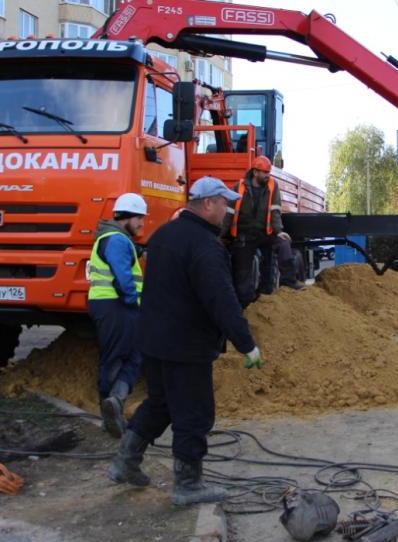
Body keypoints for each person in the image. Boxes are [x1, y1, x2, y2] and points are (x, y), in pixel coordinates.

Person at [108, 176, 263, 506]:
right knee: (194, 413)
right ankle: (188, 484)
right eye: (224, 204)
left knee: (161, 403)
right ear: (207, 204)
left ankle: (125, 461)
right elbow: (221, 300)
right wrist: (247, 343)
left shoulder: (164, 235)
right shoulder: (205, 246)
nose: (228, 211)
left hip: (153, 340)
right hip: (186, 345)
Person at [87, 193, 147, 438]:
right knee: (116, 358)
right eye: (140, 218)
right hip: (117, 306)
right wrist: (133, 301)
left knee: (132, 355)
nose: (142, 224)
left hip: (110, 305)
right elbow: (123, 277)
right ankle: (111, 406)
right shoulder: (118, 241)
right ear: (128, 217)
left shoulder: (113, 238)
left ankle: (115, 403)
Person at [223, 155, 303, 307]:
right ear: (255, 172)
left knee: (284, 244)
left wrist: (278, 230)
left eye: (268, 172)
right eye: (265, 172)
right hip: (244, 235)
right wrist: (220, 235)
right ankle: (247, 304)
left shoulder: (273, 185)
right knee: (242, 274)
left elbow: (275, 210)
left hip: (265, 233)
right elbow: (229, 212)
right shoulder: (238, 186)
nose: (268, 175)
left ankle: (289, 281)